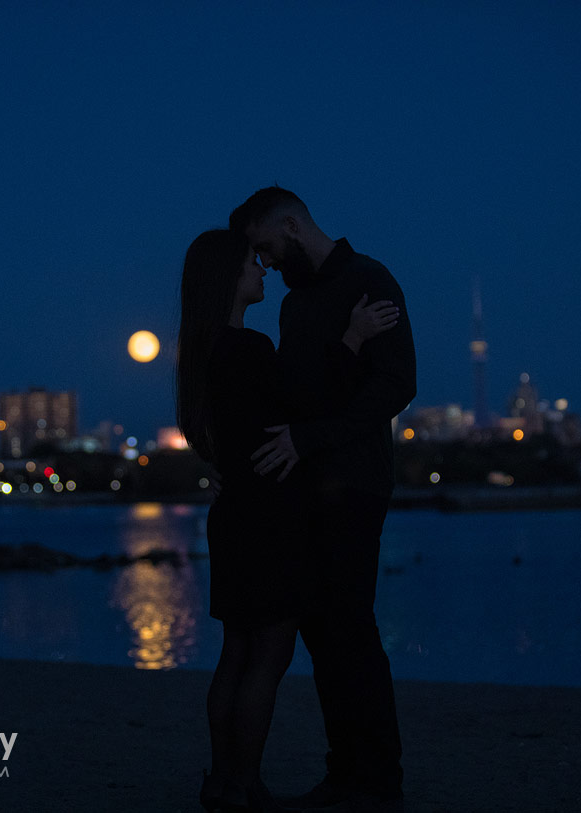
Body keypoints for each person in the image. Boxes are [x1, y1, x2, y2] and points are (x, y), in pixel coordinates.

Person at [177, 228, 399, 812]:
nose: (264, 271)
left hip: (233, 516)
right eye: (254, 263)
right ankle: (246, 785)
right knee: (268, 658)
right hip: (270, 517)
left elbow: (218, 432)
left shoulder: (203, 353)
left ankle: (222, 780)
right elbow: (308, 404)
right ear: (229, 277)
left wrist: (218, 471)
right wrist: (351, 338)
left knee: (235, 653)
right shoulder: (247, 349)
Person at [229, 187, 417, 812]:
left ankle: (375, 779)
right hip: (307, 488)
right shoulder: (296, 304)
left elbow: (397, 383)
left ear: (291, 224)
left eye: (267, 247)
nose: (269, 261)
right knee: (324, 634)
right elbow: (299, 391)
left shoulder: (369, 280)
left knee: (351, 630)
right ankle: (349, 773)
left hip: (355, 484)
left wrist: (313, 437)